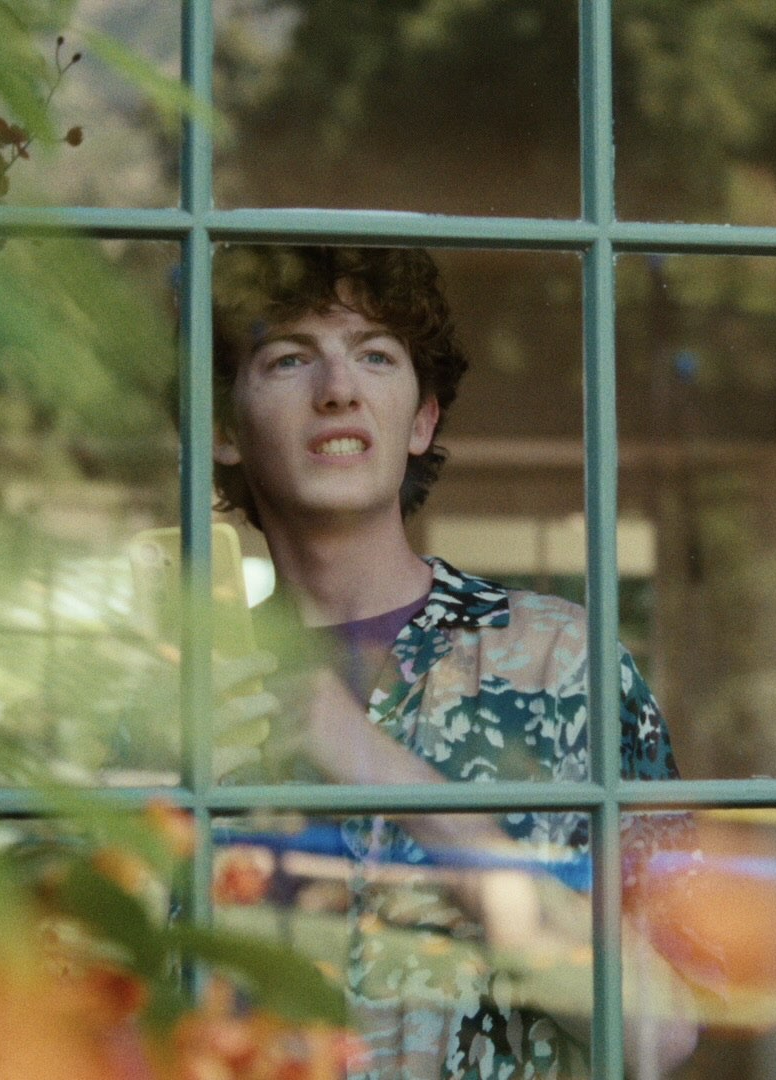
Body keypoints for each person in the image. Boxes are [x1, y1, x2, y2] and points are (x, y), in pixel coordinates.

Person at [208, 246, 707, 1079]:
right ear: (222, 430)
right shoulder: (181, 691)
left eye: (375, 355)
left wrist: (391, 778)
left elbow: (662, 1031)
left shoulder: (565, 665)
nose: (338, 388)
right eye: (290, 357)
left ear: (422, 421)